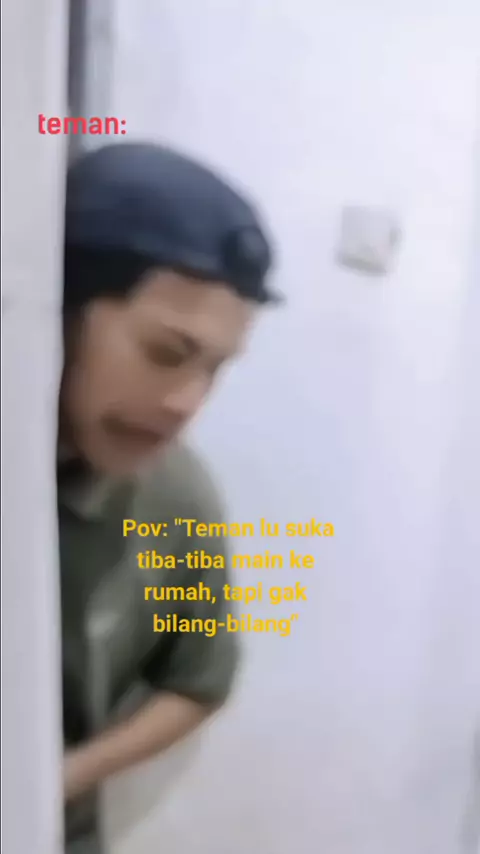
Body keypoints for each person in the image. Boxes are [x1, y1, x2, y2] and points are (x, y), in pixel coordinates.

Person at [59, 141, 276, 853]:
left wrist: (56, 779)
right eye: (165, 353)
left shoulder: (177, 495)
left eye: (215, 369)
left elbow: (200, 680)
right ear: (58, 313)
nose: (187, 402)